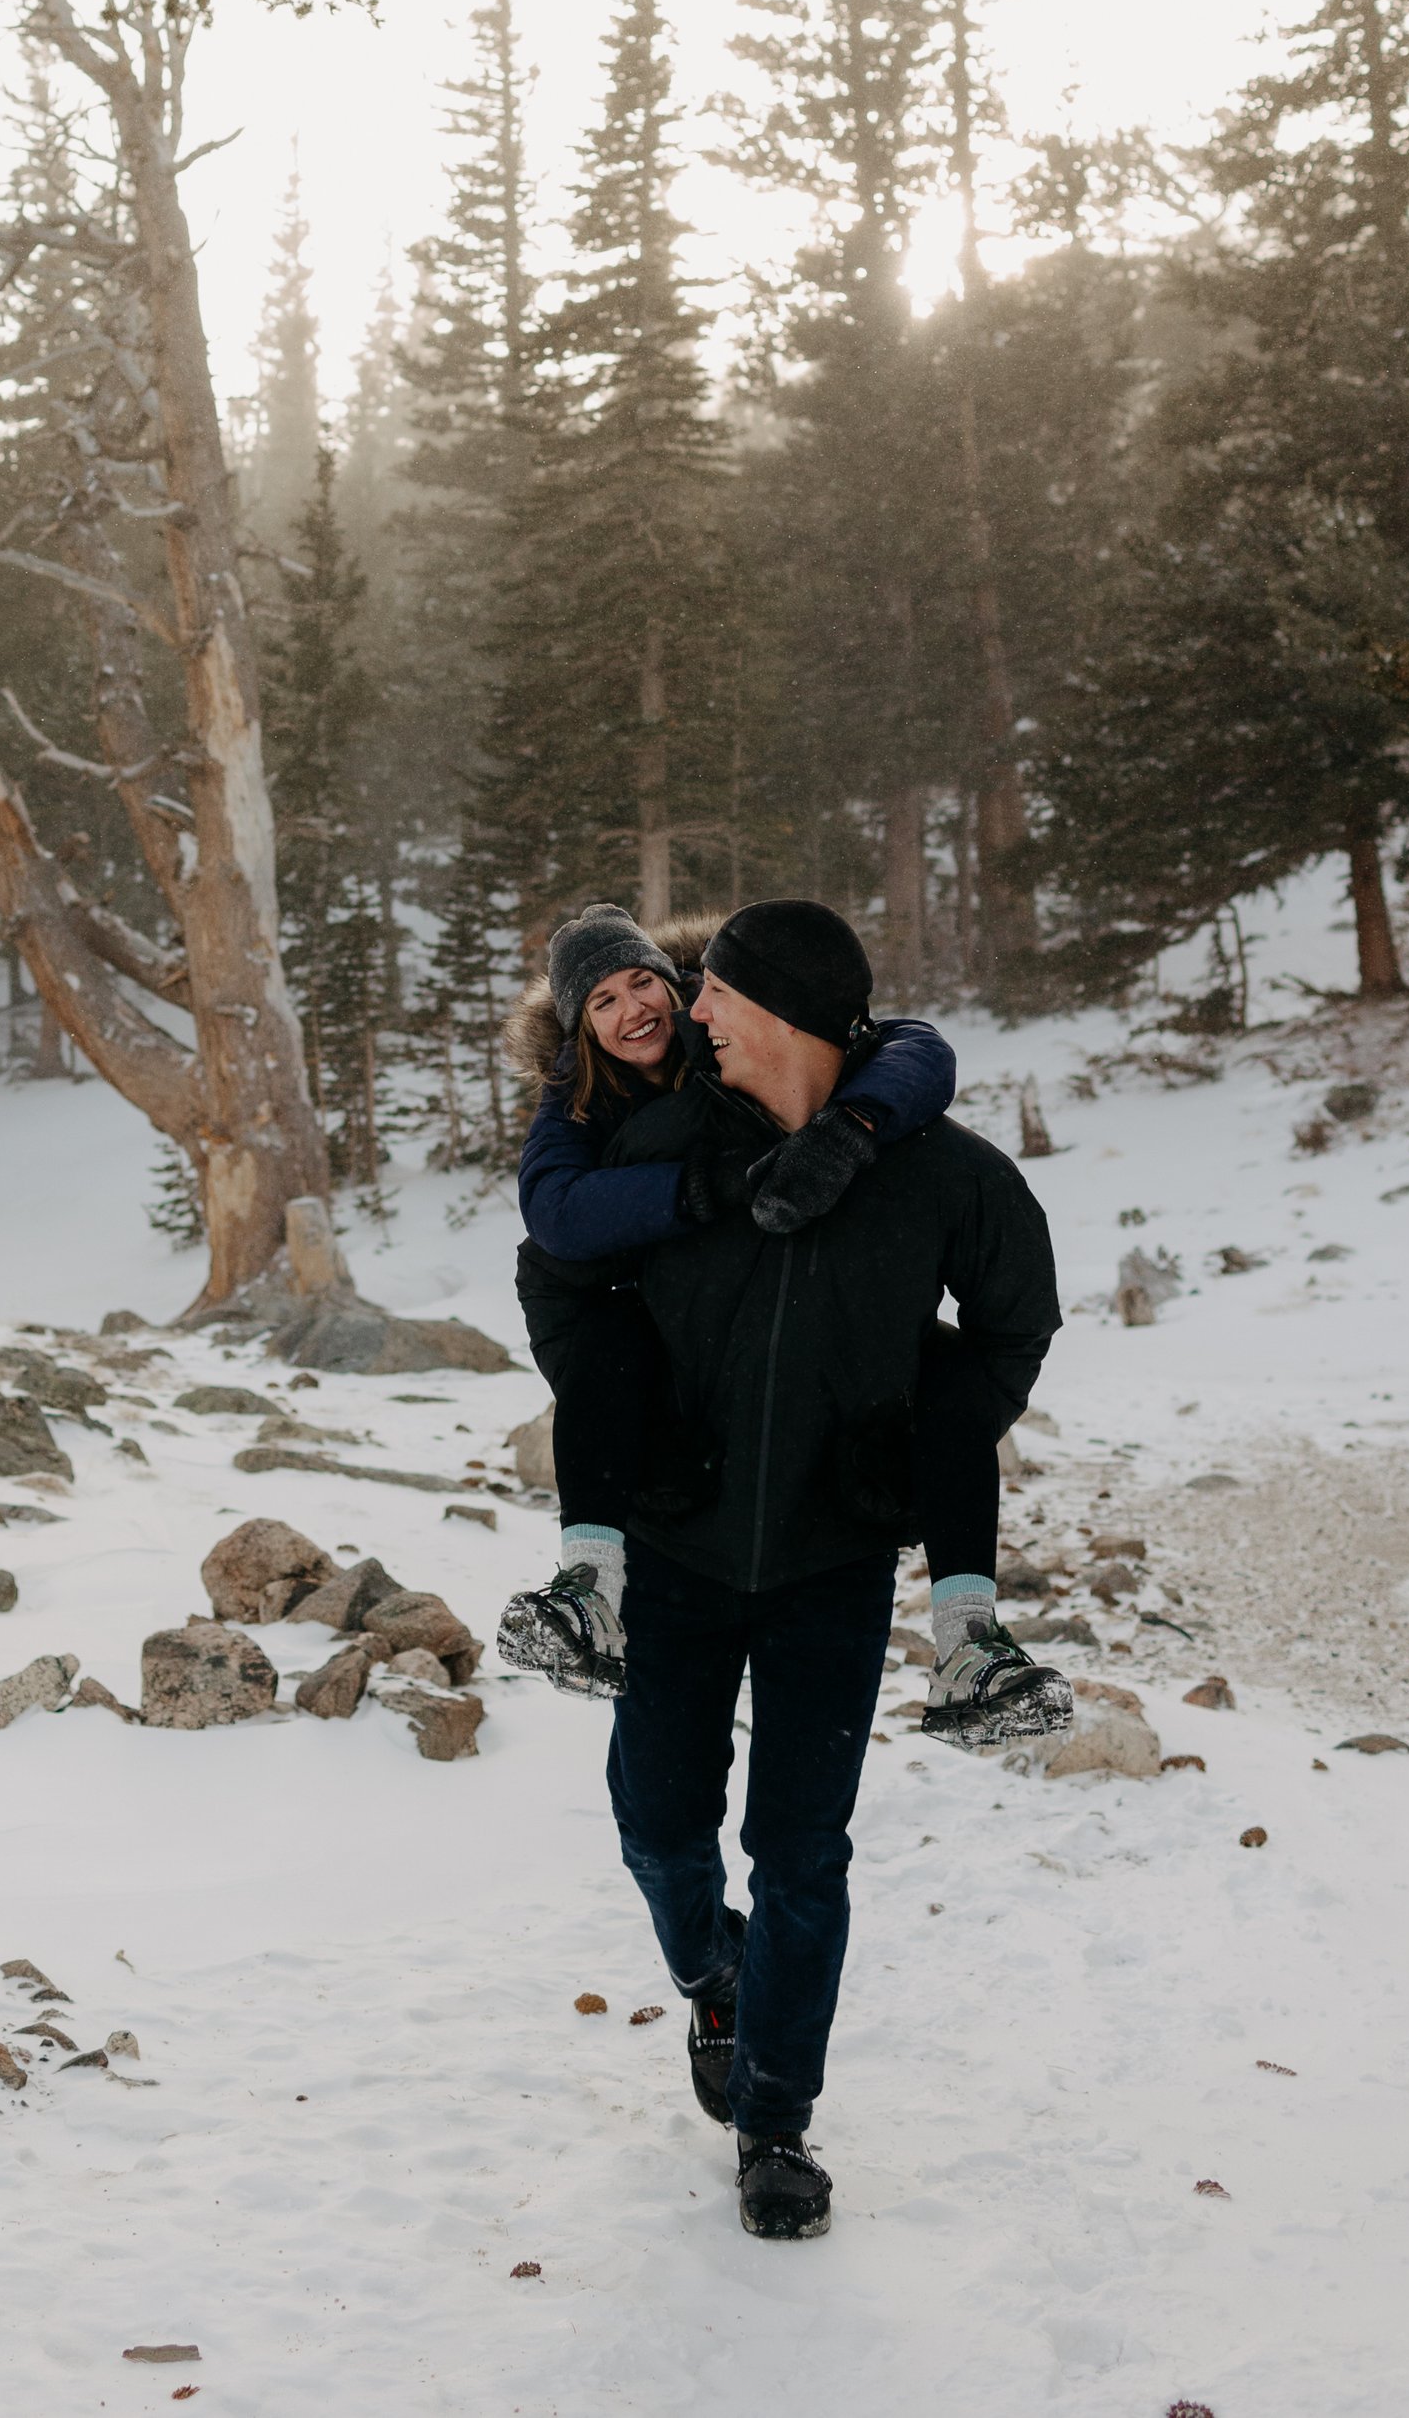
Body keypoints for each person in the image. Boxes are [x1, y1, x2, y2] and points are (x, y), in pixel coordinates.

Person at [557, 897, 1061, 2243]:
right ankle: (712, 1970)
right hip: (676, 1549)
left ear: (774, 1008)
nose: (690, 1010)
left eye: (713, 991)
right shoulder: (670, 1148)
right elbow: (557, 1264)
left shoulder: (939, 1173)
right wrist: (631, 1420)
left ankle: (774, 2119)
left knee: (803, 1857)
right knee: (659, 1825)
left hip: (831, 1568)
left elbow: (1016, 1318)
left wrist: (922, 1433)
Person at [496, 903, 1069, 1762]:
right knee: (608, 1339)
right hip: (677, 1505)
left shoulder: (735, 1041)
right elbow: (555, 1227)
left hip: (830, 1530)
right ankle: (586, 1585)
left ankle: (969, 1640)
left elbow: (915, 1047)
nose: (639, 1011)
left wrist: (851, 1128)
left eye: (645, 982)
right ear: (577, 1033)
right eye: (602, 1003)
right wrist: (703, 1190)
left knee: (946, 1372)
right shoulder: (588, 1112)